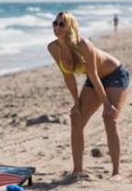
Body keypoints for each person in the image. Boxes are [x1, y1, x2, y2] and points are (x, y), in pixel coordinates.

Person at [48, 11, 128, 179]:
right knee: (76, 119)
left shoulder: (83, 45)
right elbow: (67, 77)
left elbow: (93, 74)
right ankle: (77, 171)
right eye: (55, 23)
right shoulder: (53, 48)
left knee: (109, 118)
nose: (57, 27)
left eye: (62, 24)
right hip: (95, 80)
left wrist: (106, 104)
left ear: (70, 27)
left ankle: (116, 172)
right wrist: (76, 103)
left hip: (115, 75)